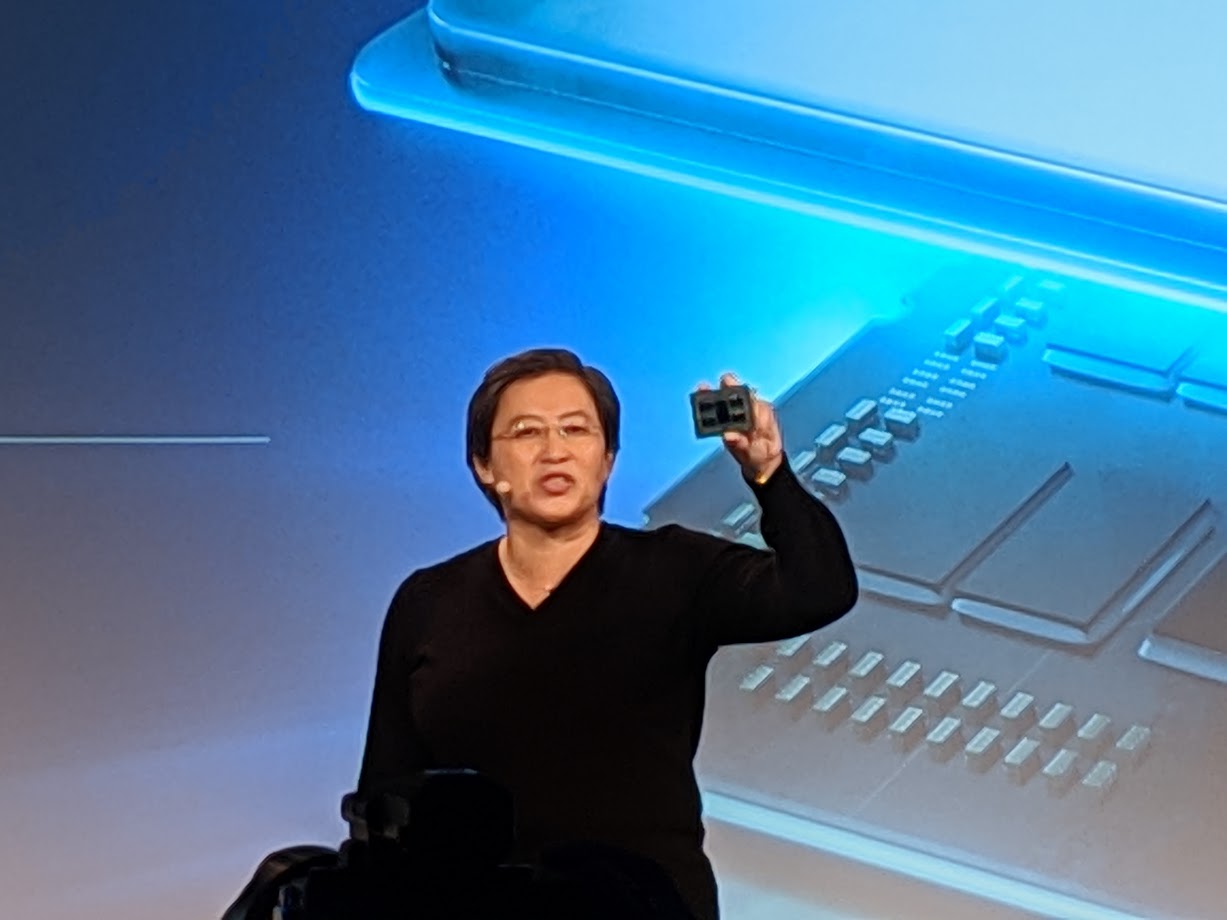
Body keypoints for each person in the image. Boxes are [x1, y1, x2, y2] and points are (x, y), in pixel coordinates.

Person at [356, 347, 858, 920]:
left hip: (645, 908)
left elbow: (820, 589)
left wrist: (769, 473)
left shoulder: (674, 570)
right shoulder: (429, 600)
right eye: (526, 432)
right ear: (484, 466)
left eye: (576, 429)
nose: (554, 450)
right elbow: (384, 795)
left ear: (608, 459)